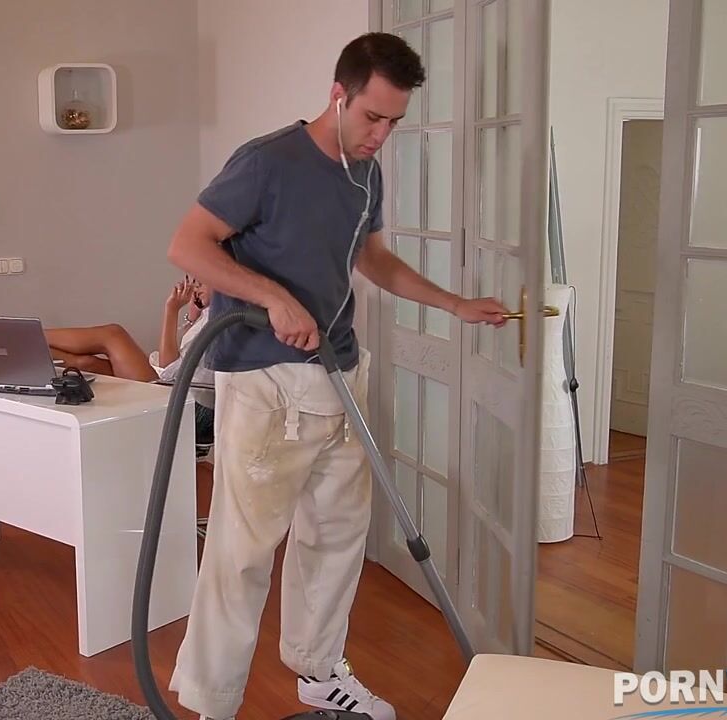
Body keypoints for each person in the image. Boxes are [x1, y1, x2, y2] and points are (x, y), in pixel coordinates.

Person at [162, 33, 510, 720]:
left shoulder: (364, 174)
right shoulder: (268, 162)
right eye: (372, 117)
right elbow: (187, 244)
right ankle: (213, 703)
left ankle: (319, 673)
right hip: (266, 381)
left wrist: (454, 304)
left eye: (394, 122)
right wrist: (272, 297)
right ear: (338, 95)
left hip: (339, 374)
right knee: (242, 552)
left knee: (336, 538)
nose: (381, 134)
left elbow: (371, 260)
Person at [42, 277, 216, 443]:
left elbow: (168, 368)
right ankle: (33, 346)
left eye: (201, 283)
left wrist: (171, 310)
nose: (195, 288)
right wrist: (193, 317)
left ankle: (31, 336)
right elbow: (185, 359)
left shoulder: (221, 320)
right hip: (176, 389)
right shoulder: (208, 314)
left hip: (189, 405)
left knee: (113, 335)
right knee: (88, 365)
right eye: (194, 282)